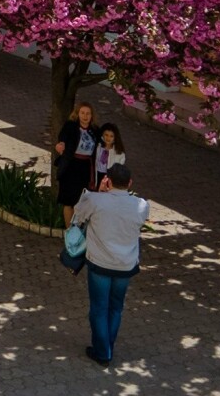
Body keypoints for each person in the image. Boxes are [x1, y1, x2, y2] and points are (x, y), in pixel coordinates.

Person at [72, 163, 150, 366]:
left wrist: (98, 192)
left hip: (100, 263)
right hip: (125, 265)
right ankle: (108, 345)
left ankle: (103, 351)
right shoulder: (142, 205)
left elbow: (77, 217)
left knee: (98, 308)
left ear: (108, 180)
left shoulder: (95, 200)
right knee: (116, 307)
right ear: (130, 183)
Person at [54, 102, 100, 228]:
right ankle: (69, 231)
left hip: (86, 168)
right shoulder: (71, 126)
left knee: (81, 201)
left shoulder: (94, 130)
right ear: (78, 114)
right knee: (69, 201)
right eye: (82, 113)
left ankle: (79, 228)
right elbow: (62, 137)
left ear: (91, 116)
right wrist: (61, 144)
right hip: (71, 166)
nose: (85, 116)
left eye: (88, 114)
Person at [93, 123, 126, 192]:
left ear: (115, 137)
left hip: (109, 178)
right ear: (102, 135)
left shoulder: (119, 153)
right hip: (97, 175)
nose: (108, 138)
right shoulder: (98, 147)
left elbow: (119, 170)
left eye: (111, 136)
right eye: (106, 135)